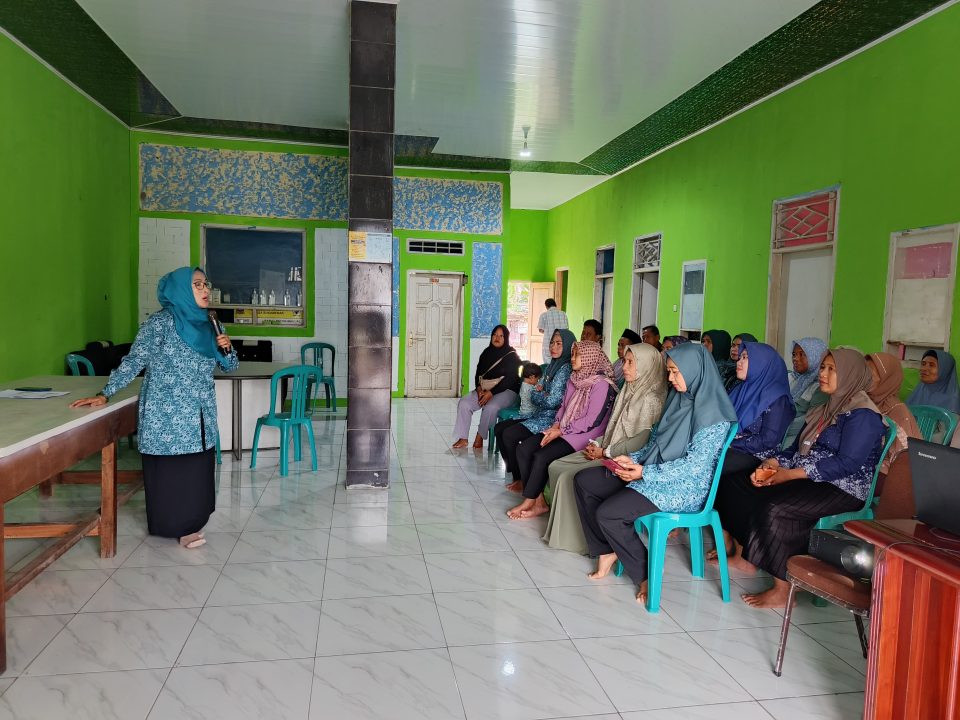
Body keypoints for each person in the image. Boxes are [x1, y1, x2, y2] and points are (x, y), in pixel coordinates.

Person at [70, 267, 237, 549]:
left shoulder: (211, 324)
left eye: (206, 283)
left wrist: (227, 348)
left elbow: (230, 366)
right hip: (168, 414)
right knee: (172, 472)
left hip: (200, 413)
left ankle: (193, 522)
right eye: (197, 284)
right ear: (180, 290)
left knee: (197, 471)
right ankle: (176, 527)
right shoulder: (160, 323)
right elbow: (134, 361)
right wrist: (105, 393)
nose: (206, 289)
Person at [719, 348, 886, 608]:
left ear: (850, 375)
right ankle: (746, 556)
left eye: (832, 369)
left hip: (842, 487)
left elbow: (847, 463)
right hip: (808, 476)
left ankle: (783, 589)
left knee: (776, 506)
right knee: (737, 485)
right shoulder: (825, 409)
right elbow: (795, 449)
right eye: (823, 368)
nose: (823, 374)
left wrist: (790, 475)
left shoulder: (863, 415)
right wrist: (773, 463)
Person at [573, 343, 737, 605]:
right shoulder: (679, 400)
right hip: (652, 472)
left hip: (683, 488)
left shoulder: (714, 417)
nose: (670, 378)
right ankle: (607, 549)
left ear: (694, 371)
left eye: (675, 372)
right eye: (669, 371)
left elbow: (694, 467)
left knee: (609, 514)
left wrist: (644, 473)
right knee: (585, 481)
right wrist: (632, 460)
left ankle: (645, 573)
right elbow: (654, 445)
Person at [542, 343, 667, 553]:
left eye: (630, 363)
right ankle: (568, 531)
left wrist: (606, 452)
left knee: (568, 476)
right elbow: (612, 428)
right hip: (607, 448)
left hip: (625, 460)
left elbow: (640, 443)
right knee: (556, 465)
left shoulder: (651, 399)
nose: (624, 367)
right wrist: (598, 443)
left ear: (646, 365)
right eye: (624, 361)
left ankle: (578, 540)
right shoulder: (628, 390)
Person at [506, 341, 618, 520]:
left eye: (577, 355)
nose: (572, 358)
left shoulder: (602, 384)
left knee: (541, 457)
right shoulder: (574, 378)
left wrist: (562, 430)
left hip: (585, 435)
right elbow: (563, 408)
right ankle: (539, 501)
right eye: (572, 354)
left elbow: (592, 421)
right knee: (524, 449)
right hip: (564, 428)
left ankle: (529, 501)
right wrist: (556, 425)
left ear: (589, 357)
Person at [711, 342, 795, 562]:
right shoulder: (741, 389)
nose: (739, 362)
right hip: (734, 448)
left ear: (762, 364)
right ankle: (724, 537)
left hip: (758, 456)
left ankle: (734, 542)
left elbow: (768, 440)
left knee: (713, 466)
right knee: (708, 461)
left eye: (745, 358)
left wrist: (731, 443)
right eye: (740, 357)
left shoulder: (777, 397)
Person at [497, 329, 575, 481]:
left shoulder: (565, 370)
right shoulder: (552, 366)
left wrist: (540, 394)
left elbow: (552, 401)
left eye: (559, 344)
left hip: (551, 420)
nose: (553, 347)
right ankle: (514, 472)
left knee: (509, 434)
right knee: (500, 429)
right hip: (539, 414)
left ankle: (519, 479)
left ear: (568, 346)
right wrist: (542, 394)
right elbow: (537, 393)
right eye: (552, 343)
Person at [453, 325, 521, 449]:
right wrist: (479, 389)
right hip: (485, 388)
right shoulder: (486, 353)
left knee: (491, 407)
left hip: (507, 390)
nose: (497, 338)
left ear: (506, 338)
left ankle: (479, 436)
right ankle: (463, 438)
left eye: (501, 336)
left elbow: (510, 380)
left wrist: (491, 393)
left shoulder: (512, 356)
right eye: (495, 335)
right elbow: (478, 375)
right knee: (464, 403)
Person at [865, 352, 921, 489]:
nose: (864, 378)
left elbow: (904, 460)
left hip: (885, 474)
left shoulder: (896, 411)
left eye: (870, 374)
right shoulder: (865, 402)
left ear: (887, 379)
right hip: (864, 466)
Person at [782, 337, 828, 447]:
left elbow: (808, 422)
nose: (795, 359)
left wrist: (778, 422)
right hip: (780, 433)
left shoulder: (821, 387)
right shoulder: (791, 377)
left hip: (797, 440)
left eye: (802, 355)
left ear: (816, 356)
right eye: (794, 354)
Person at [906, 349, 960, 414]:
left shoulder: (952, 401)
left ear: (945, 370)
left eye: (931, 365)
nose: (923, 369)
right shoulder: (920, 390)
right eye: (923, 364)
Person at [536, 298, 568, 364]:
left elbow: (540, 329)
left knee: (548, 363)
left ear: (546, 306)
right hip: (561, 343)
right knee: (560, 363)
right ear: (555, 305)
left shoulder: (544, 315)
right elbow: (566, 329)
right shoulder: (563, 314)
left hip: (548, 343)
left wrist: (547, 331)